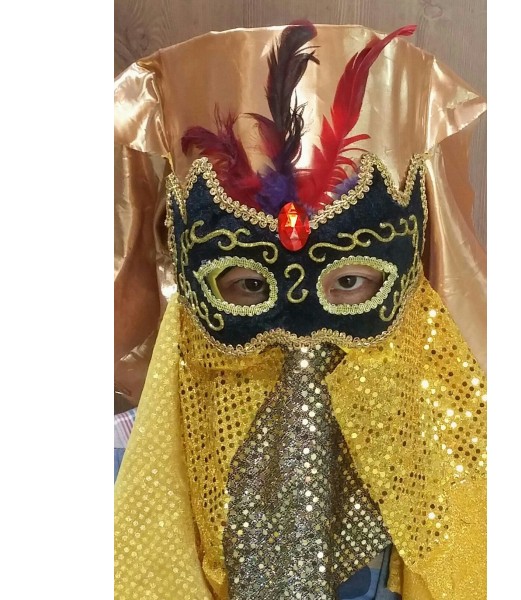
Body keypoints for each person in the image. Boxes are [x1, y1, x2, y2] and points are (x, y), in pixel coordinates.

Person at [114, 21, 487, 600]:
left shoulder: (471, 475)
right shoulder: (114, 476)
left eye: (351, 281)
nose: (303, 348)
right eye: (246, 285)